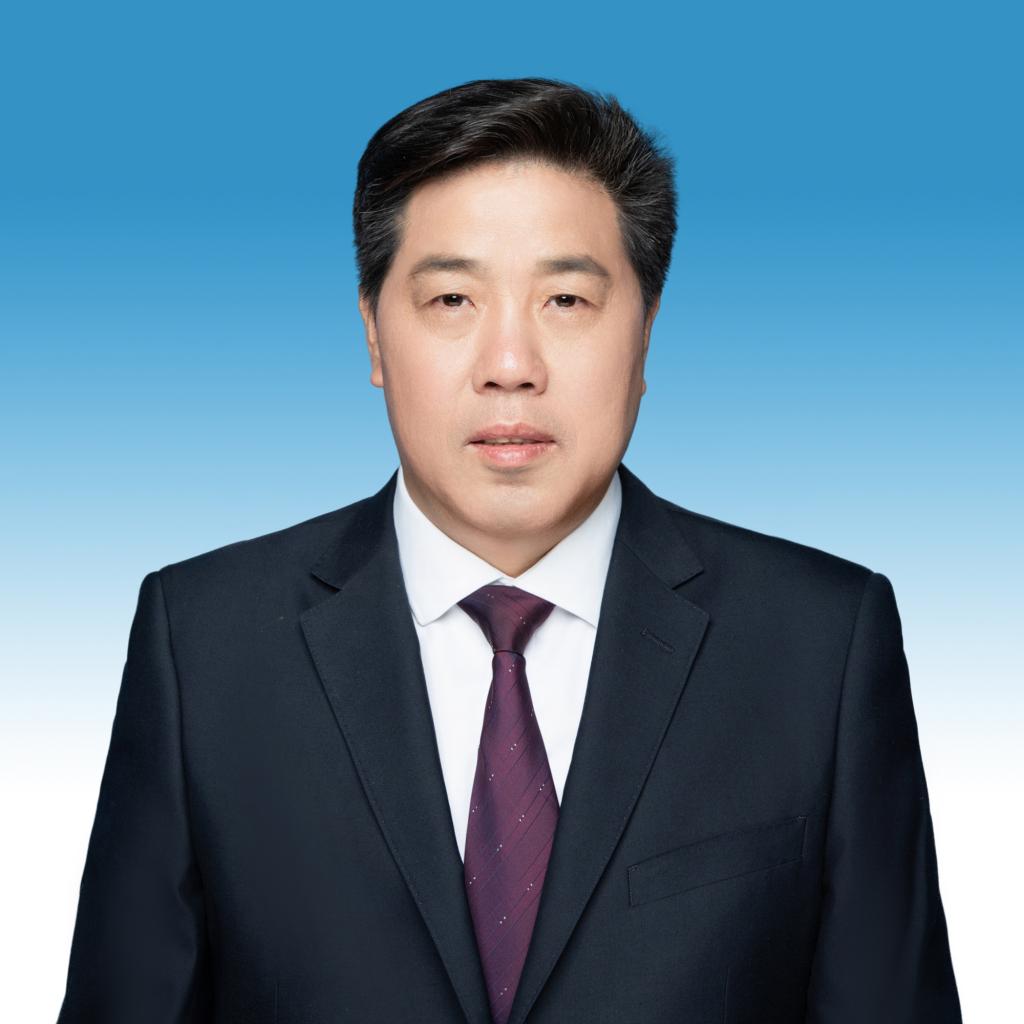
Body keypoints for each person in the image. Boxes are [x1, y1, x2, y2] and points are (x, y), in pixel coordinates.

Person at [56, 78, 961, 1023]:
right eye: (452, 298)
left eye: (566, 298)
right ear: (373, 334)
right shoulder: (205, 642)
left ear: (646, 329)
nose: (510, 366)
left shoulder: (819, 643)